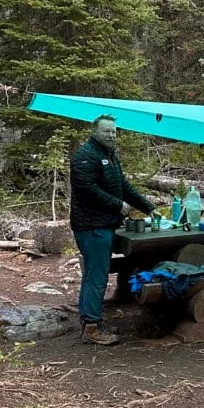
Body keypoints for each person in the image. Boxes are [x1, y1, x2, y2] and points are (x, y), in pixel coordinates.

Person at [70, 115, 160, 345]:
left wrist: (148, 208)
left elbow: (123, 186)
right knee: (96, 276)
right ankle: (91, 326)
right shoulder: (85, 156)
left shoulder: (109, 155)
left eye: (113, 131)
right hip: (91, 225)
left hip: (105, 225)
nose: (111, 135)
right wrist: (117, 205)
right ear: (94, 132)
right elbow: (86, 188)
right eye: (106, 131)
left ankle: (91, 321)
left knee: (95, 274)